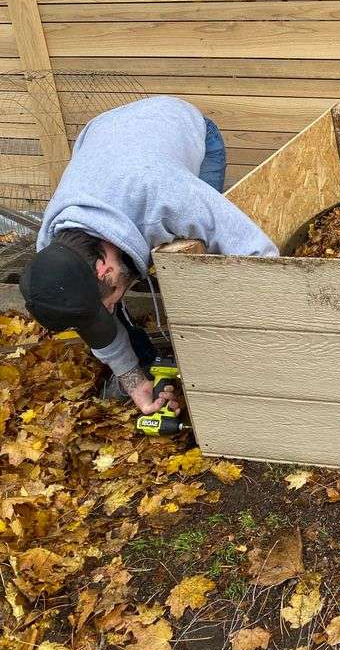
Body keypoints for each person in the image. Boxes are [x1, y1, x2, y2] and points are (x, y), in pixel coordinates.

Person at [19, 96, 278, 414]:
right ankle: (147, 363)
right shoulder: (54, 253)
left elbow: (255, 249)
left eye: (110, 297)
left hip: (180, 124)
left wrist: (267, 333)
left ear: (103, 268)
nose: (110, 307)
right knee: (106, 303)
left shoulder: (164, 192)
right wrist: (135, 384)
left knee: (194, 256)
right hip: (103, 133)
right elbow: (93, 319)